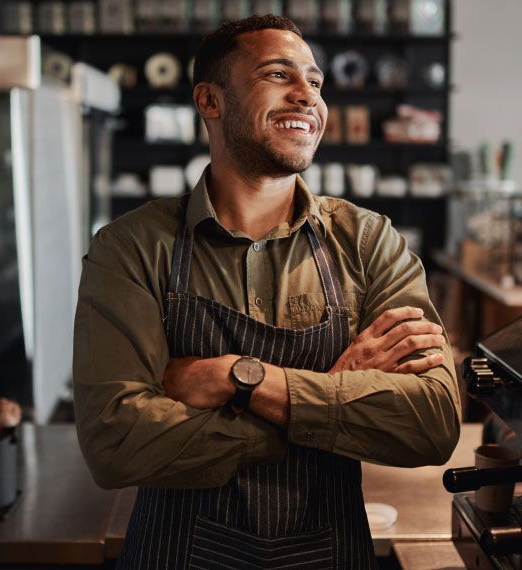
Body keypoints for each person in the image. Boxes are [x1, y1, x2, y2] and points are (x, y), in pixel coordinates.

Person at [73, 14, 460, 569]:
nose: (307, 95)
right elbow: (115, 445)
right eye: (279, 75)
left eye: (315, 81)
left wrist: (237, 377)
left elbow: (432, 423)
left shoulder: (367, 241)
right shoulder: (131, 247)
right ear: (210, 100)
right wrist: (328, 395)